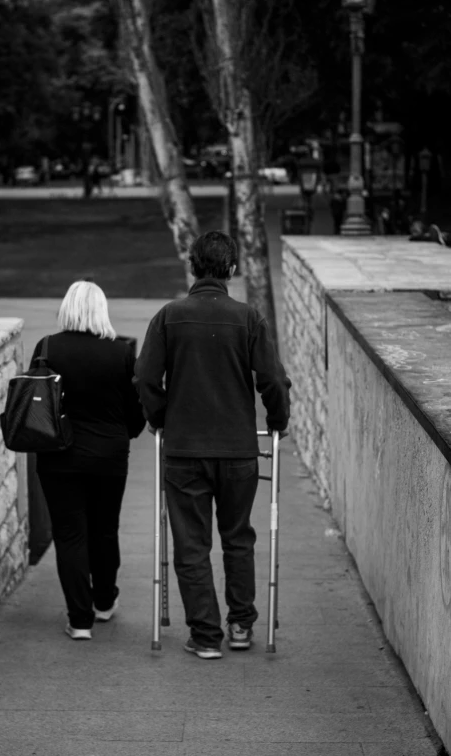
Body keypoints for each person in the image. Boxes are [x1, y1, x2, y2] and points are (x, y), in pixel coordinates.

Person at [135, 231, 291, 659]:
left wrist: (161, 418)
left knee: (191, 543)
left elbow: (146, 378)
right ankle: (240, 625)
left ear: (193, 266)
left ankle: (205, 635)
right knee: (238, 536)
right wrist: (278, 422)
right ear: (232, 269)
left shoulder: (169, 316)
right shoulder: (248, 318)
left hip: (185, 449)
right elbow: (273, 380)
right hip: (238, 450)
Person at [31, 280, 146, 640]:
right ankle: (104, 602)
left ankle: (80, 620)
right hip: (109, 456)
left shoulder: (47, 347)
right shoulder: (122, 353)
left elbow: (33, 403)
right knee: (104, 528)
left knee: (69, 535)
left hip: (57, 454)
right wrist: (124, 432)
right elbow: (135, 412)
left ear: (67, 307)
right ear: (101, 310)